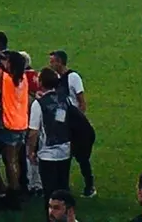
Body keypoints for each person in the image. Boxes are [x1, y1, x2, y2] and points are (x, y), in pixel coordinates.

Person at [0, 50, 30, 209]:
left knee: (10, 162)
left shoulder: (5, 78)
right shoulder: (23, 78)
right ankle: (16, 191)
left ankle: (13, 194)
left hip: (8, 125)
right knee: (14, 159)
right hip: (21, 123)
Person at [49, 50, 95, 197]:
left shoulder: (73, 77)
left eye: (52, 61)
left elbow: (81, 101)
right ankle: (63, 187)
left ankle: (89, 185)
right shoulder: (55, 78)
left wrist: (78, 121)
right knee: (64, 156)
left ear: (60, 62)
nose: (50, 64)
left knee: (82, 157)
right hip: (64, 124)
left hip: (76, 124)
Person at [28, 69, 74, 207]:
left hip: (47, 154)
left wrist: (31, 151)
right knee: (63, 189)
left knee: (50, 193)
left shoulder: (39, 104)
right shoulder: (65, 99)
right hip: (65, 150)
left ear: (41, 83)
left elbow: (33, 132)